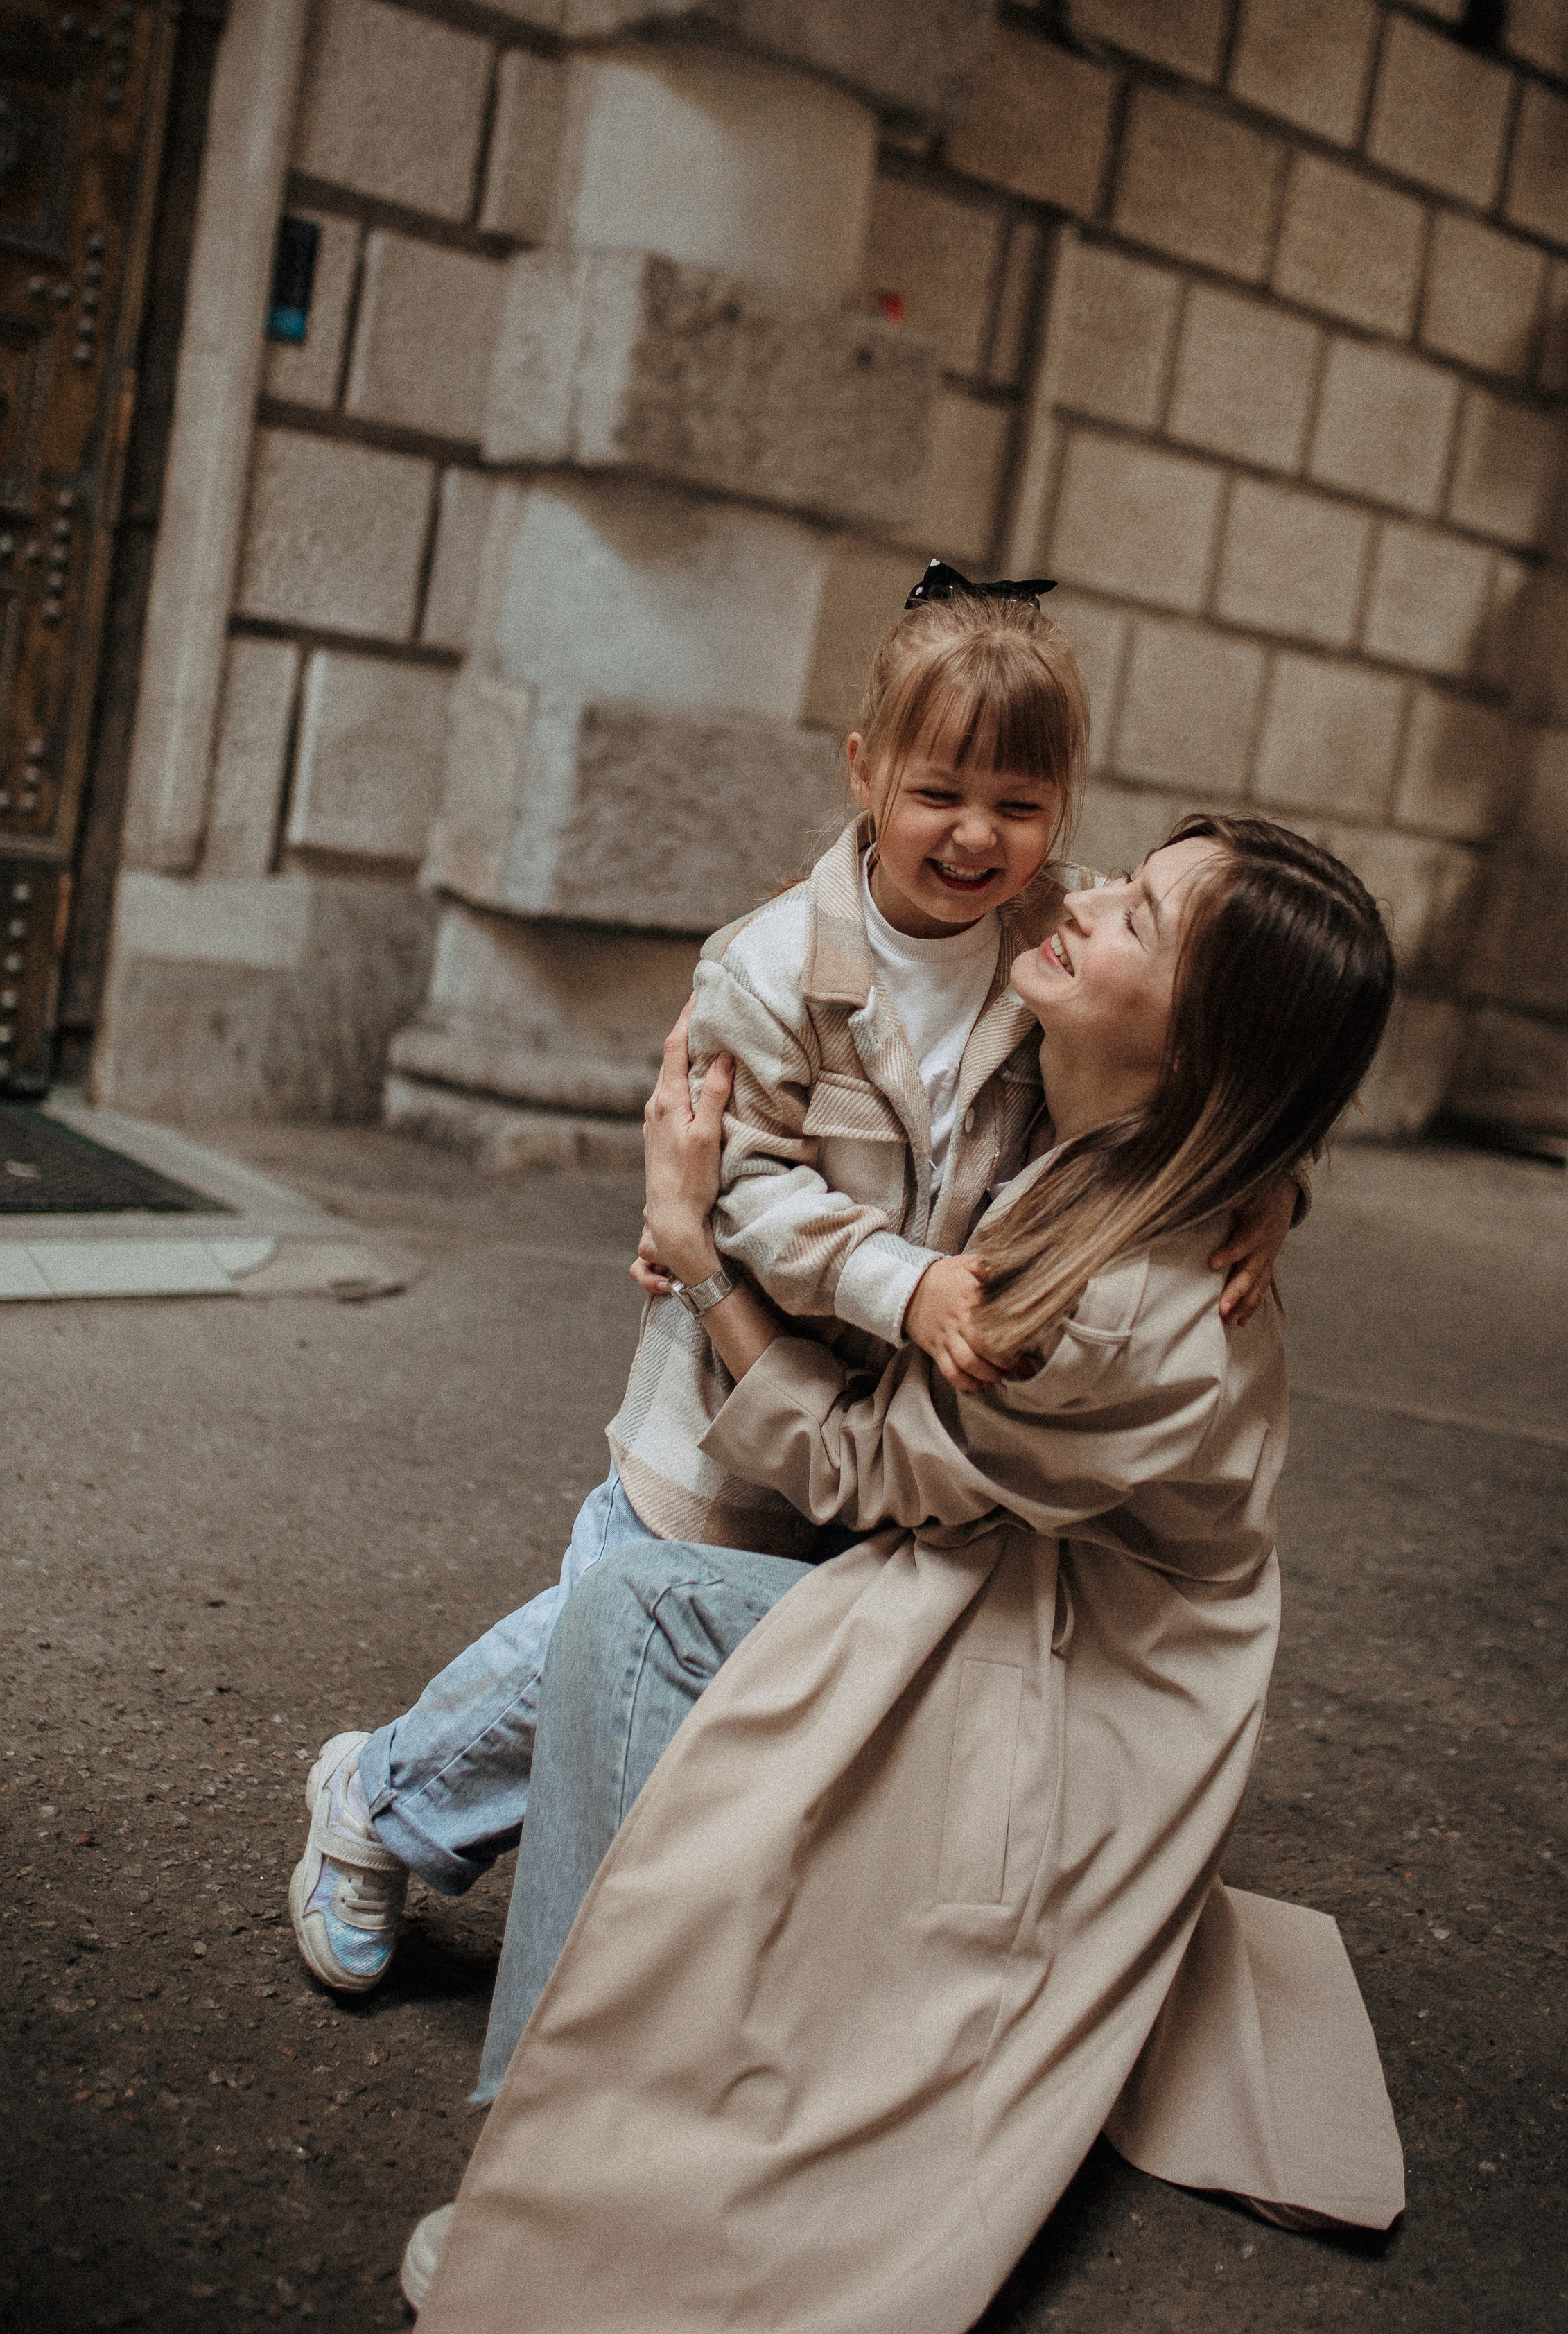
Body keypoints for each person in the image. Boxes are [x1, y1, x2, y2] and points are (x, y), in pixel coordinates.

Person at [400, 813, 1406, 2328]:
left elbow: (868, 1471)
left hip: (1092, 1670)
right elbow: (885, 877)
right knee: (665, 1584)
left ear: (1198, 1040)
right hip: (1028, 1562)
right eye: (1128, 875)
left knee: (646, 1603)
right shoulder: (1120, 1099)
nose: (1087, 898)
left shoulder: (1128, 1301)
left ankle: (542, 2164)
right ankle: (411, 1839)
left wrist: (695, 1247)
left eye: (1143, 918)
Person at [288, 577, 1300, 1995]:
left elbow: (1206, 1052)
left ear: (1062, 807)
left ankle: (630, 1917)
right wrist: (904, 1285)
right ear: (862, 771)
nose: (973, 835)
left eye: (1018, 804)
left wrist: (1266, 1180)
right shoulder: (768, 967)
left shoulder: (1051, 937)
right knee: (582, 1636)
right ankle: (377, 1799)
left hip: (873, 1407)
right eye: (936, 789)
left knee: (712, 1678)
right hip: (726, 1387)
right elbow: (744, 1181)